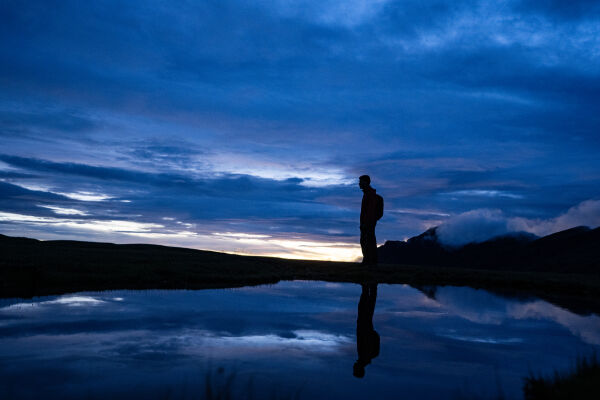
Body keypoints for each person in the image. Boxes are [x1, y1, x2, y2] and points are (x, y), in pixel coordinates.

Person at [353, 283, 379, 378]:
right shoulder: (366, 356)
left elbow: (375, 338)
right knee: (367, 305)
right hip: (365, 326)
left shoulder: (365, 357)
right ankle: (370, 285)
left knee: (366, 305)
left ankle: (368, 285)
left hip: (364, 326)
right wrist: (371, 333)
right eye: (355, 368)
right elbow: (375, 338)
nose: (353, 366)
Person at [359, 175, 379, 266]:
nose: (359, 184)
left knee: (367, 241)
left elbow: (370, 211)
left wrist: (366, 223)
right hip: (367, 223)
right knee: (367, 241)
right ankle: (369, 261)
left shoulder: (370, 195)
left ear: (366, 182)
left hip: (368, 223)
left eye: (361, 182)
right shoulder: (367, 194)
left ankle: (369, 261)